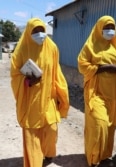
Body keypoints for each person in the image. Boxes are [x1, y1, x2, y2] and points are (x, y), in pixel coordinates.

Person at [10, 18, 70, 167]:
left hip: (49, 98)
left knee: (51, 129)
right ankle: (34, 163)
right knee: (32, 135)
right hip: (30, 100)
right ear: (29, 32)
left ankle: (48, 153)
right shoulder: (22, 49)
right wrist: (27, 82)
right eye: (35, 31)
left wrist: (61, 94)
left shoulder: (52, 48)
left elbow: (56, 72)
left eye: (41, 30)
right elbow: (15, 75)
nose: (39, 34)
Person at [77, 15, 116, 167]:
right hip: (96, 92)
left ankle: (104, 156)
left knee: (110, 126)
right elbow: (82, 65)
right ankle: (93, 157)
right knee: (99, 124)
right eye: (106, 28)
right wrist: (103, 68)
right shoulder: (90, 46)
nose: (110, 31)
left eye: (112, 27)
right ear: (99, 29)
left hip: (113, 93)